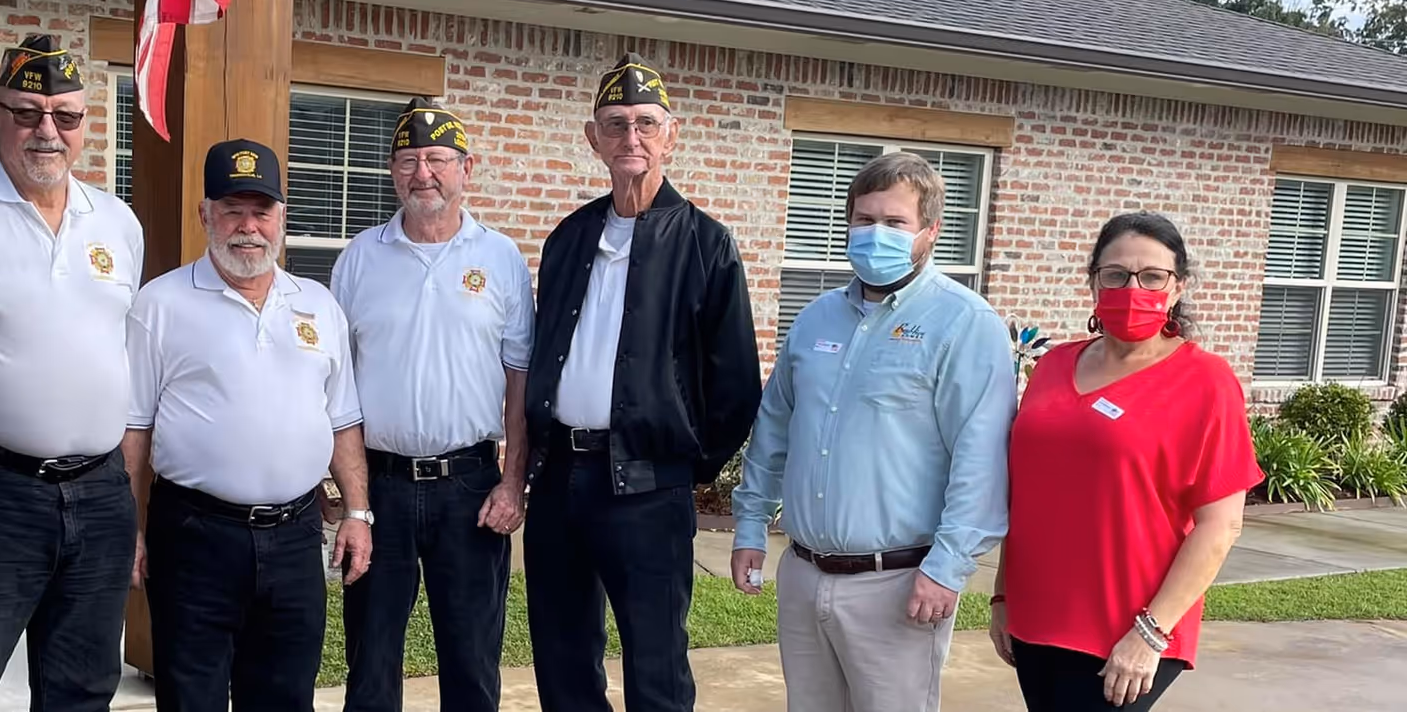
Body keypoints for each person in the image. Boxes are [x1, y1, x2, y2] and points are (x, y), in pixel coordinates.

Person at [732, 151, 1017, 712]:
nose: (875, 234)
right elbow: (774, 431)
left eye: (895, 223)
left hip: (902, 585)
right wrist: (748, 524)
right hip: (805, 573)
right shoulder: (815, 319)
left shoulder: (965, 325)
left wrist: (947, 569)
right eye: (864, 221)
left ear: (930, 232)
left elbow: (980, 461)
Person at [0, 35, 146, 712]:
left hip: (100, 494)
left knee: (83, 687)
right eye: (27, 112)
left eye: (65, 115)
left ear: (85, 125)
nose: (47, 129)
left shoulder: (118, 222)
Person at [522, 53, 762, 712]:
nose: (632, 136)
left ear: (671, 133)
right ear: (592, 137)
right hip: (560, 478)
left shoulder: (707, 244)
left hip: (649, 487)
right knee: (564, 660)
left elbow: (737, 384)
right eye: (616, 123)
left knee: (655, 665)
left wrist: (681, 461)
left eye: (646, 122)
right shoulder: (571, 236)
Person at [124, 139, 374, 712]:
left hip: (295, 538)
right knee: (192, 698)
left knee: (286, 697)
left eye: (261, 211)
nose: (247, 227)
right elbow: (133, 432)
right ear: (205, 214)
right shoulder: (160, 304)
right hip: (193, 536)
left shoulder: (318, 305)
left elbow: (343, 421)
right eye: (232, 210)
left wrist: (358, 513)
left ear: (281, 218)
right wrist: (130, 530)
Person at [990, 212, 1260, 711]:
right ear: (1094, 281)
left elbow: (1220, 526)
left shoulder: (1205, 381)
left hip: (1127, 630)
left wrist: (1152, 634)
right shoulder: (1051, 366)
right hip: (1036, 618)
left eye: (1152, 276)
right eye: (1114, 274)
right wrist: (1003, 596)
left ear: (1177, 287)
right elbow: (1027, 494)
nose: (1132, 288)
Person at [331, 98, 534, 712]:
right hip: (381, 488)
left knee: (472, 663)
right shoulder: (359, 259)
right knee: (370, 663)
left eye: (438, 159)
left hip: (470, 487)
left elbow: (519, 380)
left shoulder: (501, 259)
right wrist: (352, 499)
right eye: (409, 160)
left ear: (466, 168)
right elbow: (335, 384)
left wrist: (513, 480)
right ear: (393, 171)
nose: (424, 173)